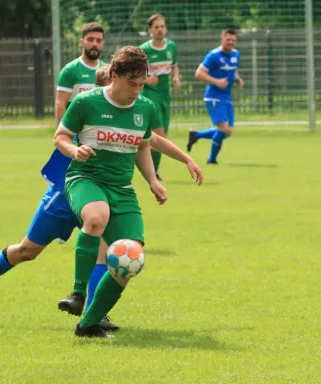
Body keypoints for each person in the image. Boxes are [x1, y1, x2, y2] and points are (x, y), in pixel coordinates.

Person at [0, 23, 118, 332]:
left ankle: (94, 311)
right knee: (27, 251)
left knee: (103, 245)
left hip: (98, 190)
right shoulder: (75, 79)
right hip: (67, 188)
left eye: (100, 39)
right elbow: (61, 108)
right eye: (91, 38)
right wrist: (70, 142)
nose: (96, 43)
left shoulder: (117, 108)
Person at [53, 46, 203, 338]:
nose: (136, 90)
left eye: (141, 84)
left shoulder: (145, 108)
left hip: (122, 189)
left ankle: (88, 324)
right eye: (131, 83)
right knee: (96, 218)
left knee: (130, 258)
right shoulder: (86, 102)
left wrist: (155, 179)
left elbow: (145, 144)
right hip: (86, 178)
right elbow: (59, 136)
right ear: (114, 75)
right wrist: (74, 149)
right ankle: (78, 293)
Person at [186, 28, 243, 164]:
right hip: (213, 97)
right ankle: (211, 158)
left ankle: (198, 137)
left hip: (226, 97)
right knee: (224, 129)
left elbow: (232, 70)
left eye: (233, 40)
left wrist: (237, 79)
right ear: (222, 39)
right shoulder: (213, 55)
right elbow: (199, 73)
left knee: (227, 132)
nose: (230, 42)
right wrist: (217, 82)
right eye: (228, 39)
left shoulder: (236, 54)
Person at [139, 14, 180, 181]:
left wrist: (176, 78)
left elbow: (174, 66)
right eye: (156, 27)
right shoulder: (144, 50)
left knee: (161, 136)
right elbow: (136, 74)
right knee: (160, 135)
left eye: (162, 26)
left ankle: (151, 168)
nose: (160, 29)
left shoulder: (171, 46)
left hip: (165, 95)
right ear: (150, 30)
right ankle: (152, 173)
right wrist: (147, 79)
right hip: (149, 94)